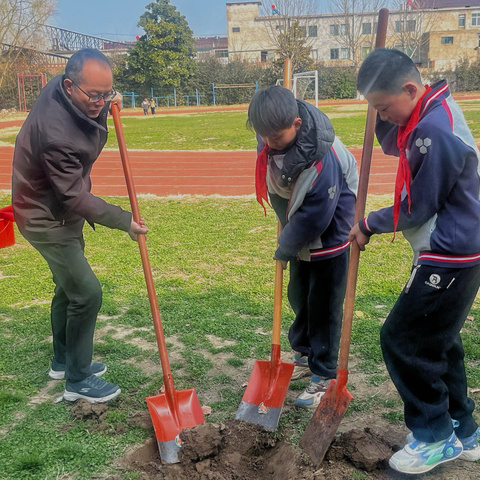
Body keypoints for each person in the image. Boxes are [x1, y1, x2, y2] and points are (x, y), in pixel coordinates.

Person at [350, 48, 480, 474]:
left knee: (402, 339)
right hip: (457, 250)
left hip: (449, 254)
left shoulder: (434, 131)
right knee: (440, 342)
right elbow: (399, 138)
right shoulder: (429, 110)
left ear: (409, 88)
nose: (382, 117)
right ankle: (464, 429)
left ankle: (435, 436)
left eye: (384, 108)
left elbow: (416, 207)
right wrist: (381, 114)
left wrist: (369, 222)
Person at [12, 48, 147, 404]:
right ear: (70, 86)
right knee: (86, 292)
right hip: (44, 216)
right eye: (95, 95)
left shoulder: (67, 88)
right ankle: (78, 379)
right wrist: (124, 221)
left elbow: (91, 112)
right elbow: (74, 197)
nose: (101, 102)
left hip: (57, 208)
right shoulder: (56, 133)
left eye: (108, 93)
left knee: (66, 287)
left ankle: (63, 359)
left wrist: (106, 98)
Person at [247, 86, 358, 410]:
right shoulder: (271, 136)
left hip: (331, 232)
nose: (269, 142)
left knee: (323, 306)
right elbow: (277, 185)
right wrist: (286, 226)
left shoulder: (321, 157)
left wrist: (285, 245)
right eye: (263, 135)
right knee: (299, 294)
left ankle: (324, 373)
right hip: (300, 226)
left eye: (276, 136)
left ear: (297, 123)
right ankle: (305, 354)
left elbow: (315, 217)